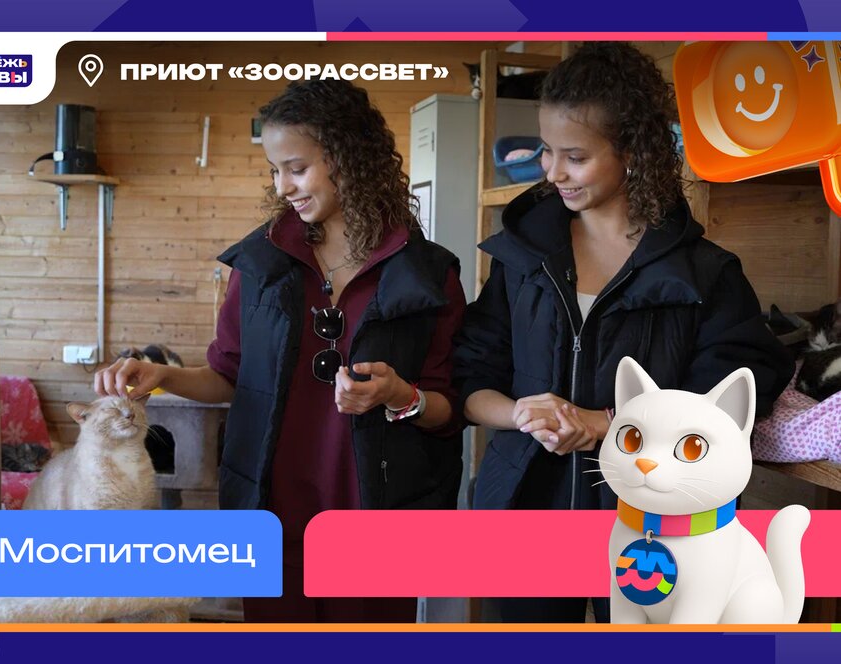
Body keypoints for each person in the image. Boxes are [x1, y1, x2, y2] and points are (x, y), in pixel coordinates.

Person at [95, 79, 466, 623]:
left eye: (296, 167)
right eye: (274, 170)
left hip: (380, 518)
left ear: (348, 157)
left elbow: (449, 408)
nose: (283, 185)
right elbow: (228, 376)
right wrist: (161, 375)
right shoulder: (259, 264)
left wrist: (400, 396)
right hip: (273, 515)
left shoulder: (429, 273)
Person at [453, 42, 794, 623]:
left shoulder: (706, 273)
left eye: (576, 157)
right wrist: (521, 414)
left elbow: (740, 388)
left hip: (659, 525)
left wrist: (606, 423)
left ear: (632, 152)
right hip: (523, 507)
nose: (553, 172)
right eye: (546, 151)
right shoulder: (520, 258)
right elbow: (469, 374)